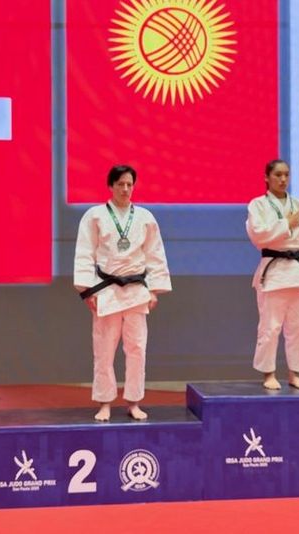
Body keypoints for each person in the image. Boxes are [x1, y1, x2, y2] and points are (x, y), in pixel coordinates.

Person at [74, 165, 171, 421]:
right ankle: (105, 402)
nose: (125, 189)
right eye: (120, 184)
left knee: (137, 349)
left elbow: (155, 254)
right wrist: (87, 290)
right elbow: (84, 253)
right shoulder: (95, 216)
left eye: (129, 184)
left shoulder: (145, 217)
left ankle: (133, 402)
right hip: (106, 290)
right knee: (104, 349)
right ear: (111, 186)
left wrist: (154, 290)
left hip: (137, 291)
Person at [246, 160, 299, 390]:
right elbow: (259, 235)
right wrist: (287, 224)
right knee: (270, 327)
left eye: (286, 175)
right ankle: (269, 374)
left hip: (297, 273)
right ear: (267, 177)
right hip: (273, 273)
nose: (283, 179)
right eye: (278, 175)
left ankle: (295, 373)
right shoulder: (258, 205)